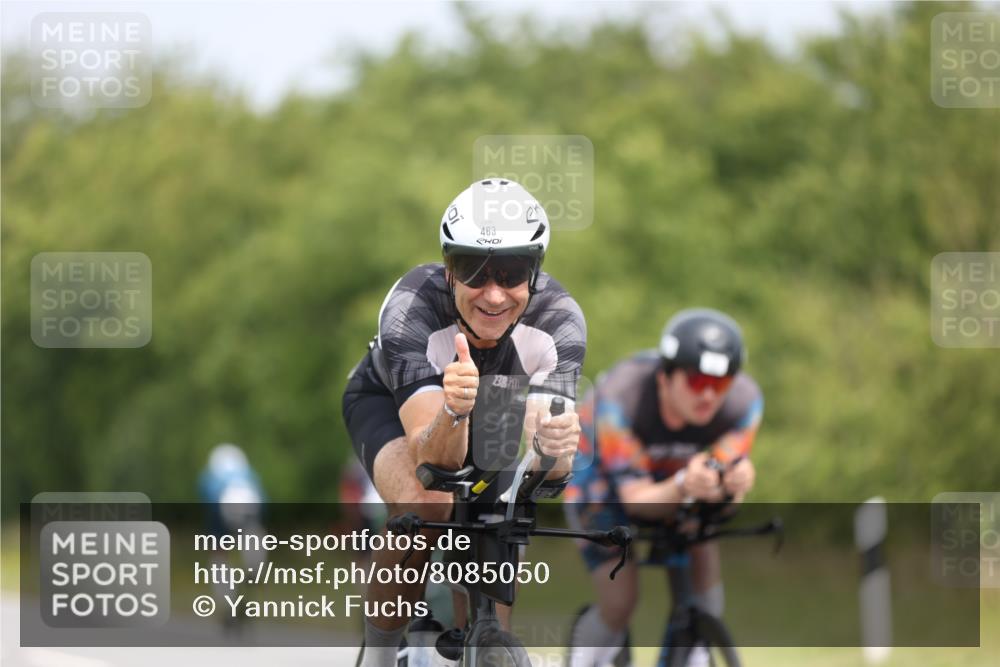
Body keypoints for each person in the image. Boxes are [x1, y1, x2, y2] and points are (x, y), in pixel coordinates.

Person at [342, 179, 587, 667]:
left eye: (512, 272)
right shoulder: (411, 306)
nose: (493, 294)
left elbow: (550, 476)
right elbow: (433, 458)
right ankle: (380, 654)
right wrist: (454, 410)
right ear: (449, 270)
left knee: (496, 521)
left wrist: (553, 449)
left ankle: (475, 645)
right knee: (428, 506)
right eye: (472, 270)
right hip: (392, 402)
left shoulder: (560, 320)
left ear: (535, 272)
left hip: (494, 399)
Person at [564, 308, 763, 667]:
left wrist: (732, 485)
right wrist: (687, 483)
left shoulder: (745, 402)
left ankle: (693, 647)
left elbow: (716, 487)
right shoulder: (622, 396)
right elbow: (636, 501)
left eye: (719, 385)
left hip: (671, 482)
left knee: (707, 603)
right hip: (598, 483)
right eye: (697, 382)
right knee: (620, 603)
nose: (708, 396)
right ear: (664, 377)